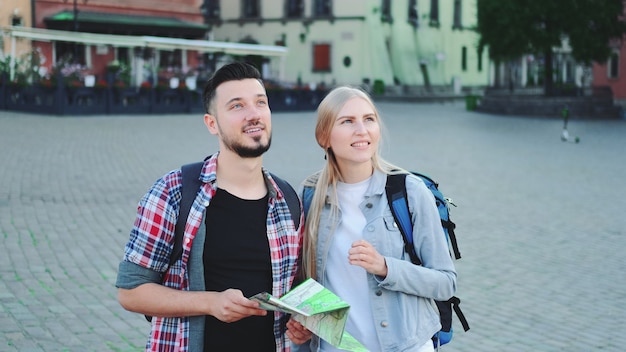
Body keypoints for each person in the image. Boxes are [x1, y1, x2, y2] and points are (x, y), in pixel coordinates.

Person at [116, 62, 306, 351]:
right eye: (237, 106)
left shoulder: (287, 200)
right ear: (212, 123)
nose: (253, 114)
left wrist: (300, 324)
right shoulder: (175, 192)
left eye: (260, 103)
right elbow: (130, 292)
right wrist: (211, 302)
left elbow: (291, 292)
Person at [291, 86, 457, 352]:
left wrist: (384, 267)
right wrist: (302, 323)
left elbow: (446, 282)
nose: (362, 130)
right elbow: (308, 283)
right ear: (324, 137)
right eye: (347, 121)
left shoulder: (409, 192)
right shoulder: (309, 196)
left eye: (369, 119)